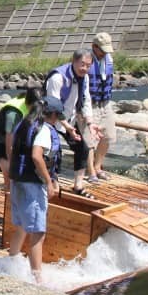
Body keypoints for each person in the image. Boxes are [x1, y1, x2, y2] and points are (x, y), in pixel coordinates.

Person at [6, 96, 64, 283]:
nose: (57, 120)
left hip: (18, 181)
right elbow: (37, 156)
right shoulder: (45, 130)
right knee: (38, 232)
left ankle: (10, 264)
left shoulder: (24, 124)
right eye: (57, 116)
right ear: (52, 115)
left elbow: (11, 144)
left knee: (22, 225)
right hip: (32, 185)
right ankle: (37, 279)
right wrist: (48, 181)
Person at [45, 50, 94, 195]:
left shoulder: (84, 78)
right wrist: (66, 127)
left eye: (88, 65)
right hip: (51, 119)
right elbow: (53, 105)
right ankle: (53, 184)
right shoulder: (58, 78)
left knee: (82, 148)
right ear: (74, 61)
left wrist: (90, 122)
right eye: (82, 64)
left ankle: (78, 186)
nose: (84, 68)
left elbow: (86, 99)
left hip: (70, 120)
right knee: (54, 152)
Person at [0, 87, 43, 184]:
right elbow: (9, 146)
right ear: (29, 104)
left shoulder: (36, 103)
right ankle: (8, 187)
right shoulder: (13, 113)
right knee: (6, 162)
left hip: (18, 132)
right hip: (1, 136)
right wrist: (13, 166)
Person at [87, 32, 117, 182]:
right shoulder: (86, 60)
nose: (105, 53)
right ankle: (91, 171)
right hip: (91, 104)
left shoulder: (108, 59)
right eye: (102, 50)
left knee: (108, 137)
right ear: (94, 47)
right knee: (90, 140)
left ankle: (98, 167)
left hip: (105, 103)